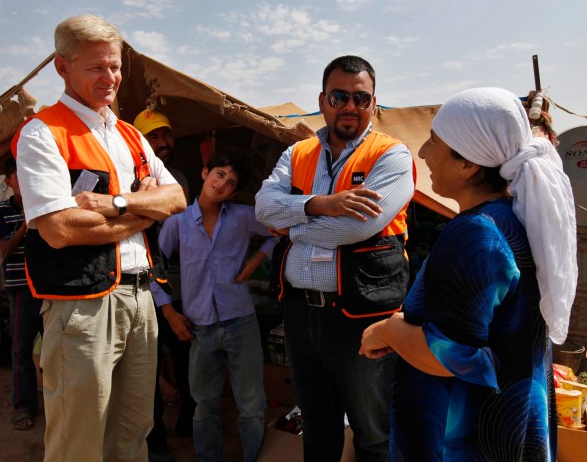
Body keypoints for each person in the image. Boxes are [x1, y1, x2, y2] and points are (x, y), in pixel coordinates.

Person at [359, 87, 578, 461]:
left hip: (467, 437)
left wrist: (388, 331)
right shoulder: (512, 217)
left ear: (468, 164)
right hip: (508, 424)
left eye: (433, 142)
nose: (424, 153)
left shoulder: (476, 233)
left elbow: (449, 356)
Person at [12, 14, 186, 462]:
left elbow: (178, 197)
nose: (110, 77)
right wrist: (146, 213)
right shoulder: (42, 133)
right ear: (62, 67)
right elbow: (59, 229)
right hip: (81, 308)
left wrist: (118, 205)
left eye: (115, 66)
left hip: (141, 298)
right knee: (79, 442)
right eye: (96, 67)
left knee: (134, 434)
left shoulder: (130, 134)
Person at [255, 55, 415, 461]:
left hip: (362, 317)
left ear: (373, 103)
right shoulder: (298, 154)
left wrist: (289, 222)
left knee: (374, 434)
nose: (349, 106)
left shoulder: (391, 156)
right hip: (301, 314)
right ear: (323, 100)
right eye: (339, 96)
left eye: (360, 98)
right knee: (318, 428)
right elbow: (262, 207)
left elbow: (358, 228)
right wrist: (321, 204)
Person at [152, 150, 277, 462]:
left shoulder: (242, 216)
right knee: (204, 405)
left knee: (250, 404)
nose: (223, 184)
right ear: (205, 172)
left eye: (231, 182)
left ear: (234, 191)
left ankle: (255, 457)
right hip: (199, 327)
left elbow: (279, 233)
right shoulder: (177, 223)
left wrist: (257, 259)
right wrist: (169, 312)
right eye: (220, 174)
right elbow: (155, 268)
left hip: (241, 322)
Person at [134, 109, 195, 462]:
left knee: (185, 355)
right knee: (148, 367)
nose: (163, 143)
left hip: (176, 285)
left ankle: (188, 417)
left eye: (166, 135)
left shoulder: (179, 179)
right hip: (140, 288)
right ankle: (154, 440)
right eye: (154, 137)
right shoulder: (128, 178)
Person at [0, 156, 43, 430]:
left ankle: (62, 403)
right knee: (21, 349)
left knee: (58, 349)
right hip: (21, 289)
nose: (24, 180)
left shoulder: (47, 201)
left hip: (49, 288)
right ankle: (24, 406)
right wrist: (26, 223)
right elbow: (6, 251)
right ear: (8, 182)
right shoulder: (1, 211)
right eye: (17, 176)